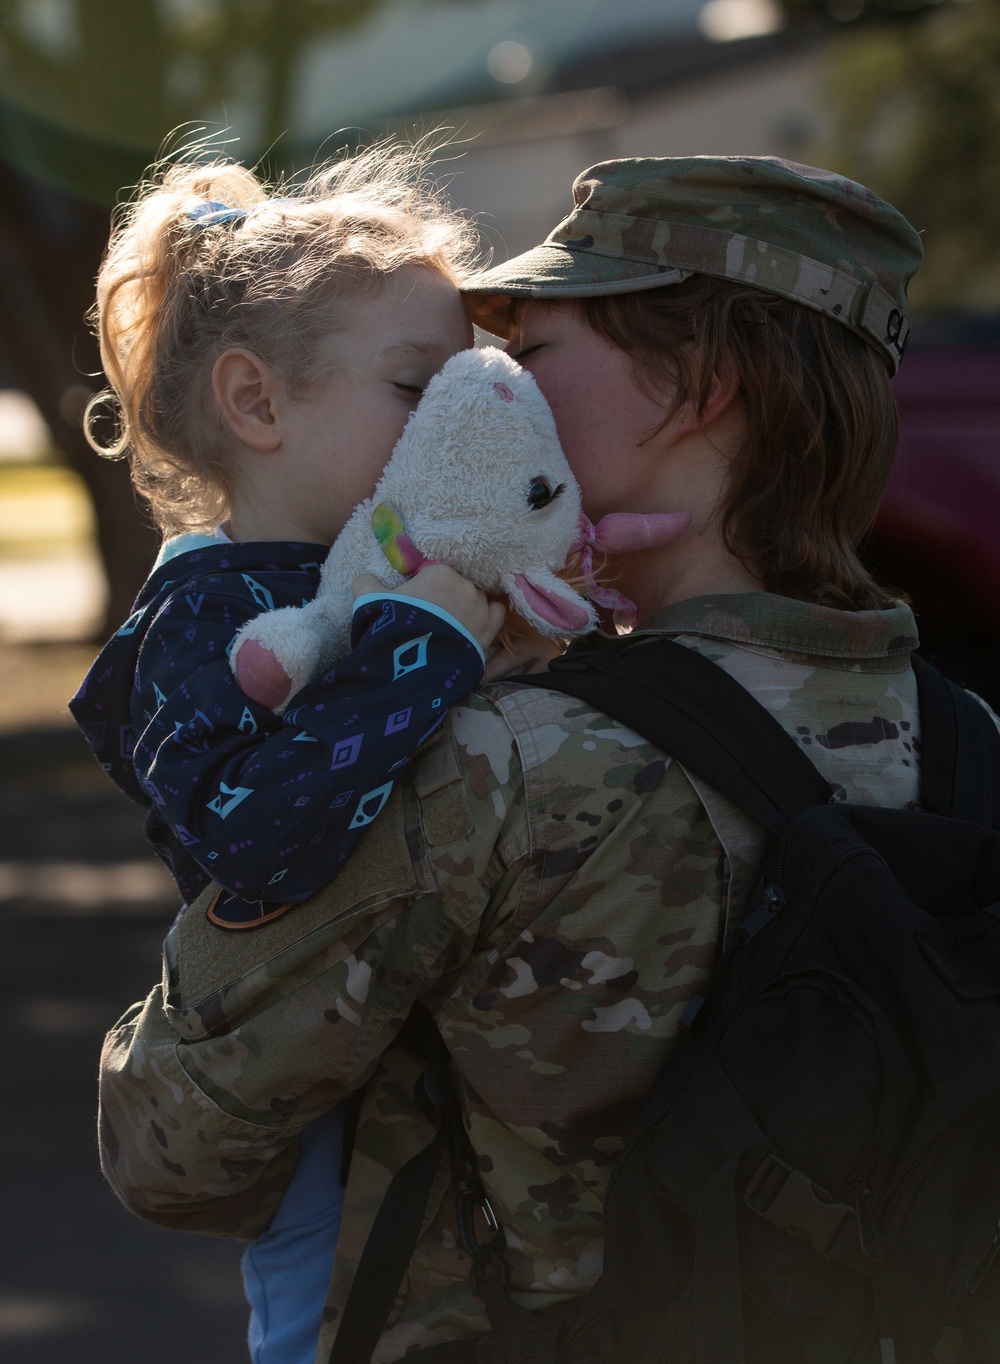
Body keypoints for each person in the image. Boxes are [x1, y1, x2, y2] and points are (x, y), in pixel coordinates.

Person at [97, 155, 929, 1362]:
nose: (480, 400)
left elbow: (166, 1149)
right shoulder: (966, 741)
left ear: (698, 387)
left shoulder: (497, 763)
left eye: (526, 359)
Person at [69, 146, 506, 1364]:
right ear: (258, 404)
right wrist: (427, 653)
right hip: (314, 1094)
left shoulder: (385, 572)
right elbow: (252, 834)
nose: (457, 422)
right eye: (421, 390)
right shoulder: (196, 620)